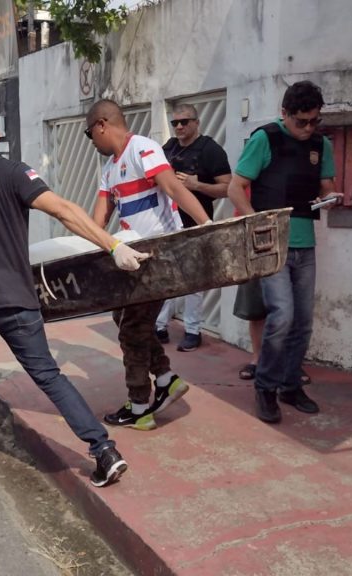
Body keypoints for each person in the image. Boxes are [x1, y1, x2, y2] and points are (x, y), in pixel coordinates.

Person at [0, 102, 146, 503]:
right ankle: (103, 451)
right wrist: (113, 245)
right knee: (49, 376)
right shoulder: (14, 172)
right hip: (15, 299)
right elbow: (63, 210)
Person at [86, 99, 212, 431]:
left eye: (90, 134)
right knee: (123, 316)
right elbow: (98, 221)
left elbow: (172, 186)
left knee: (133, 328)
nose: (92, 141)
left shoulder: (142, 148)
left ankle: (140, 405)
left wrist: (207, 226)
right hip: (134, 258)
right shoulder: (110, 169)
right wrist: (83, 252)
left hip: (160, 254)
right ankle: (167, 378)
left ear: (102, 124)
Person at [227, 81, 342, 424]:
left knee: (303, 322)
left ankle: (291, 385)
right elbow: (236, 188)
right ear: (284, 114)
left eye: (314, 122)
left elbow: (326, 185)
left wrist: (330, 197)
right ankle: (266, 387)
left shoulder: (321, 145)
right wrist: (255, 226)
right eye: (301, 122)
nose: (308, 129)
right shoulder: (266, 138)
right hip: (272, 244)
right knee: (282, 316)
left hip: (305, 242)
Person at [154, 103, 232, 352]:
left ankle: (192, 330)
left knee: (194, 280)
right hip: (167, 224)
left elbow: (227, 188)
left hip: (196, 224)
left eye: (184, 122)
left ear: (197, 123)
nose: (179, 127)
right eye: (175, 122)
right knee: (164, 276)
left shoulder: (211, 150)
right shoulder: (169, 149)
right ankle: (159, 326)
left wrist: (197, 186)